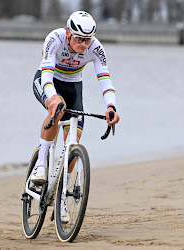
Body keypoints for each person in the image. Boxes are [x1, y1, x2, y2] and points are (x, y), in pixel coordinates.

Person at [31, 11, 120, 221]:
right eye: (79, 39)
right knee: (57, 109)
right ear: (69, 33)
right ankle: (41, 164)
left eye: (87, 40)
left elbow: (105, 79)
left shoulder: (96, 48)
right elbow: (46, 74)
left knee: (74, 139)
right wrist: (52, 98)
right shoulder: (55, 39)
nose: (83, 44)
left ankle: (62, 197)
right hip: (48, 81)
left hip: (73, 87)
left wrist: (111, 106)